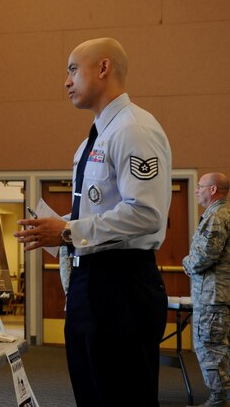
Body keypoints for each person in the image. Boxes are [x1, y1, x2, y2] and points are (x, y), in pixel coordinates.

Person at [13, 38, 172, 406]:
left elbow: (146, 213)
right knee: (92, 393)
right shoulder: (92, 140)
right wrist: (58, 225)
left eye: (72, 70)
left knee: (121, 395)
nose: (66, 82)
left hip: (122, 284)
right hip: (89, 282)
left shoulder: (134, 129)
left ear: (103, 68)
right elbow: (102, 208)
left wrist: (68, 231)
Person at [182, 173, 230, 407]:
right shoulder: (225, 213)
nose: (196, 191)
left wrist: (186, 263)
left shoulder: (216, 216)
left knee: (211, 346)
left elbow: (205, 255)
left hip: (213, 296)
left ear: (212, 190)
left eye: (199, 187)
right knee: (222, 346)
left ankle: (219, 399)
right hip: (222, 294)